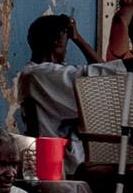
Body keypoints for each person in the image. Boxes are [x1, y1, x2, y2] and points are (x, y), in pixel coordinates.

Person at [12, 12, 89, 140]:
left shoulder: (32, 73)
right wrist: (78, 39)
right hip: (57, 153)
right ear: (57, 43)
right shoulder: (42, 74)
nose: (65, 51)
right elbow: (106, 81)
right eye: (65, 46)